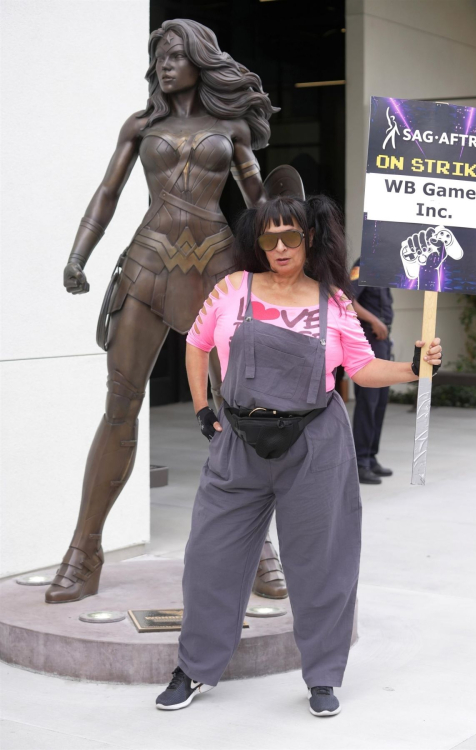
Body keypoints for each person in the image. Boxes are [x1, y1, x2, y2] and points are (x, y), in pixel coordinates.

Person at [155, 196, 442, 717]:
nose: (280, 248)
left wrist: (413, 369)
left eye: (290, 236)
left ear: (310, 239)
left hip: (315, 443)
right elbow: (197, 344)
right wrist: (202, 407)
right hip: (238, 441)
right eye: (269, 238)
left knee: (323, 562)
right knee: (209, 559)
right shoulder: (230, 289)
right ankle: (195, 668)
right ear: (256, 243)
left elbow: (360, 368)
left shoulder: (332, 302)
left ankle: (324, 676)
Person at [45, 18, 287, 604]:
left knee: (240, 409)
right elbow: (108, 193)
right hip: (148, 266)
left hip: (220, 268)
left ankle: (260, 548)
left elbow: (261, 203)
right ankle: (84, 551)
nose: (166, 64)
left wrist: (291, 264)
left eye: (177, 54)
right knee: (119, 406)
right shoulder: (141, 124)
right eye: (159, 56)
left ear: (201, 60)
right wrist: (78, 256)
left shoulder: (230, 127)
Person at [350, 259, 394, 484]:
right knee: (368, 401)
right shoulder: (365, 263)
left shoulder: (383, 266)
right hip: (369, 340)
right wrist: (374, 320)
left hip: (383, 342)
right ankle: (360, 462)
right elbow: (347, 299)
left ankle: (371, 456)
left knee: (380, 401)